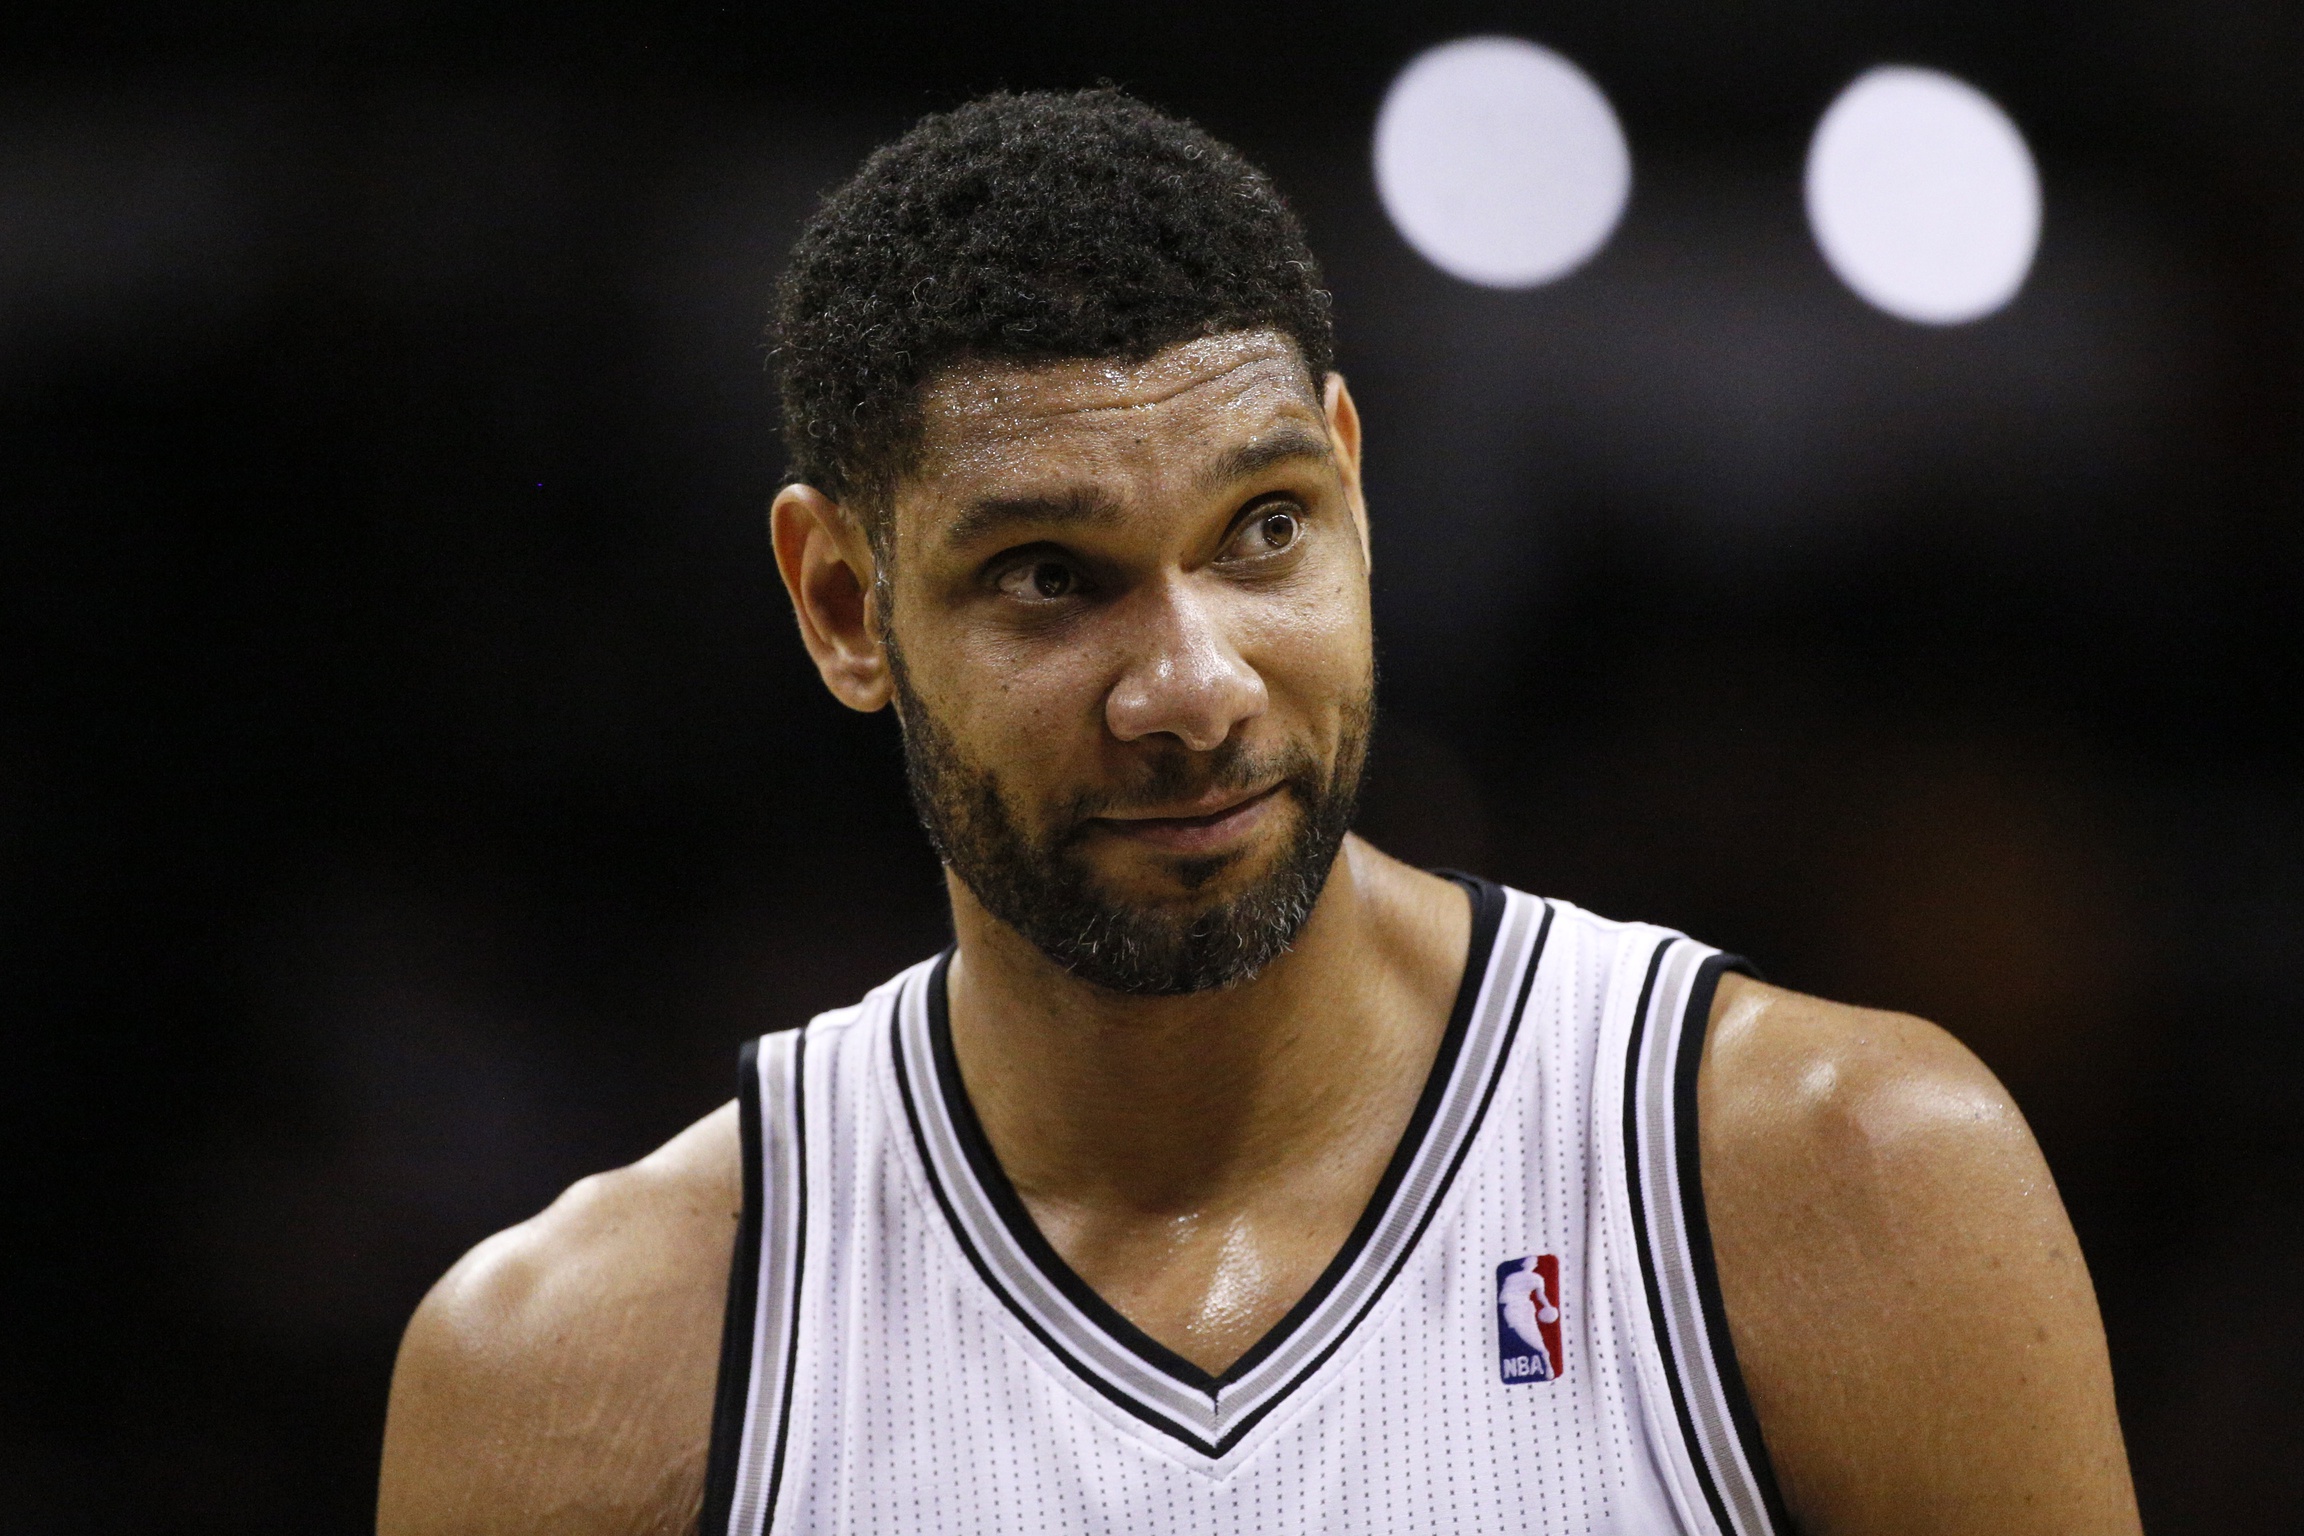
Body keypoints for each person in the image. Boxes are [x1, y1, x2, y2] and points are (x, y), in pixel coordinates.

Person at [377, 89, 2141, 1536]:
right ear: (842, 603)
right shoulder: (575, 1376)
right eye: (1052, 577)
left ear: (1358, 491)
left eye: (1264, 529)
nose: (1194, 686)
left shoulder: (1844, 1178)